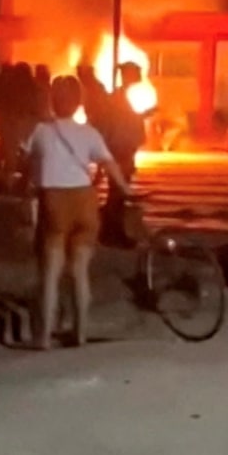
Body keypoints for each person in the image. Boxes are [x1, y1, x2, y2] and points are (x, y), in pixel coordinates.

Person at [23, 75, 130, 349]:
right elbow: (110, 164)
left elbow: (27, 163)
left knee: (51, 273)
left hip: (54, 201)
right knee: (79, 272)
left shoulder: (41, 132)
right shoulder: (89, 133)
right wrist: (125, 189)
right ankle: (80, 333)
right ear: (78, 102)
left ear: (52, 101)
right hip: (85, 202)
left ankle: (43, 337)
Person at [102, 62, 146, 244]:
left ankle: (111, 231)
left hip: (121, 149)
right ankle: (112, 232)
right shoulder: (118, 98)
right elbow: (121, 125)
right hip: (121, 150)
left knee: (117, 193)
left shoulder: (120, 97)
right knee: (118, 193)